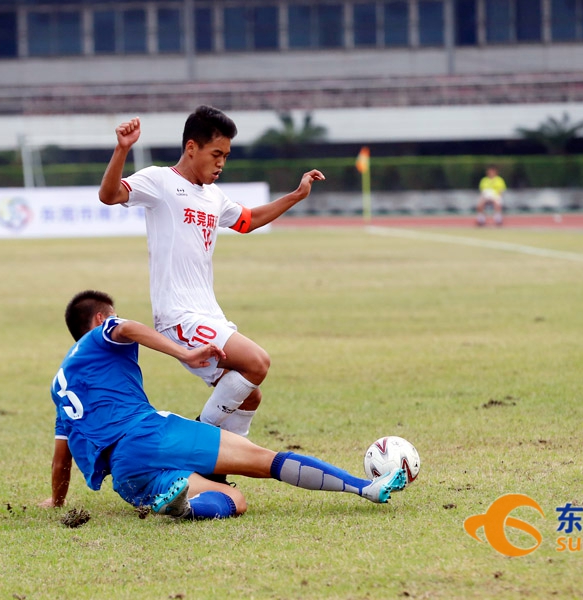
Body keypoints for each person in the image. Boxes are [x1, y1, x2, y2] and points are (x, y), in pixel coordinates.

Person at [40, 290, 408, 519]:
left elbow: (62, 458)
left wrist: (57, 502)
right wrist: (185, 351)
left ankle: (182, 507)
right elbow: (126, 328)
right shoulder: (104, 332)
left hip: (125, 475)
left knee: (234, 499)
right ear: (102, 318)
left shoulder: (61, 385)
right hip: (152, 433)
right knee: (264, 460)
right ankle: (365, 488)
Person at [97, 106, 325, 461]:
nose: (221, 163)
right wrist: (122, 150)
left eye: (226, 156)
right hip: (179, 316)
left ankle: (219, 469)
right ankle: (195, 444)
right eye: (216, 154)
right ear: (192, 148)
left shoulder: (214, 197)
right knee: (257, 363)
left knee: (249, 395)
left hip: (209, 314)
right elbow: (109, 195)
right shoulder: (159, 181)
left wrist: (295, 196)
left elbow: (247, 221)